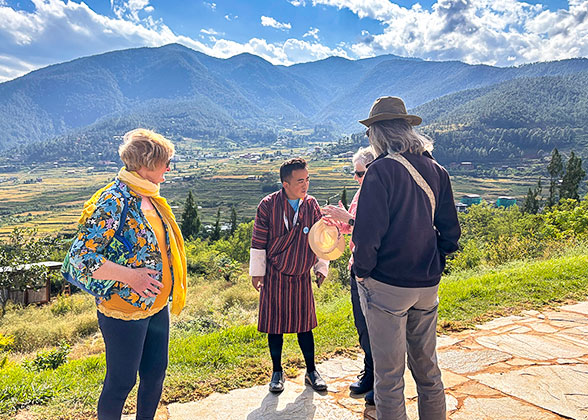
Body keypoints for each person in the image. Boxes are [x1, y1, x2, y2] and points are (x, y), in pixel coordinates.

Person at [65, 128, 187, 420]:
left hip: (157, 305)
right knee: (121, 383)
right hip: (123, 309)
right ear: (146, 165)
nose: (169, 168)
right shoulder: (114, 200)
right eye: (165, 162)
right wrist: (131, 277)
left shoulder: (151, 197)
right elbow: (82, 256)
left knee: (155, 374)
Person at [352, 96, 461, 420]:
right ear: (407, 129)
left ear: (377, 134)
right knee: (428, 371)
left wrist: (362, 273)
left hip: (386, 285)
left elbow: (367, 236)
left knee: (389, 379)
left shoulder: (380, 171)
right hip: (426, 285)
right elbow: (451, 234)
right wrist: (434, 263)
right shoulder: (437, 170)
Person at [249, 157, 329, 394]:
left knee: (305, 325)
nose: (305, 185)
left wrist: (320, 267)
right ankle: (277, 371)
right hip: (274, 273)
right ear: (285, 183)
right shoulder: (268, 205)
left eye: (307, 179)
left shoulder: (311, 204)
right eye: (299, 181)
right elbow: (259, 241)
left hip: (301, 272)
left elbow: (320, 238)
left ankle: (312, 370)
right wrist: (257, 273)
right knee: (275, 326)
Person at [321, 147, 376, 403]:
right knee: (362, 325)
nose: (356, 178)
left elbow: (371, 229)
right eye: (354, 173)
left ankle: (381, 379)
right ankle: (370, 371)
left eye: (360, 173)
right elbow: (351, 227)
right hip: (358, 266)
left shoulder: (380, 195)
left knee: (379, 329)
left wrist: (349, 220)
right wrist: (338, 220)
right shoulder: (359, 194)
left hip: (376, 272)